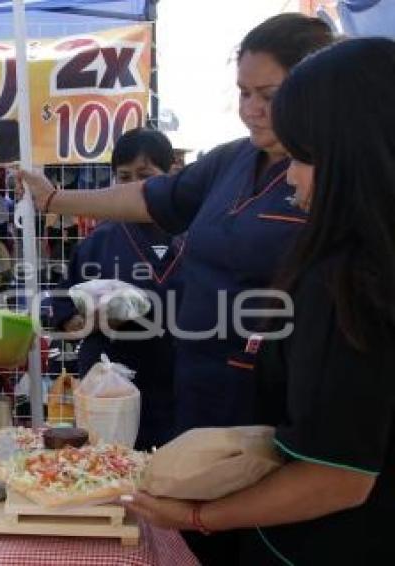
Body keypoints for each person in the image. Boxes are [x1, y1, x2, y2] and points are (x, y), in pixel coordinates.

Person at [124, 37, 395, 566]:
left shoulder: (349, 284)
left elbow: (336, 477)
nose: (290, 179)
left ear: (354, 152)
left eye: (301, 159)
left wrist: (197, 518)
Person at [20, 14, 334, 434]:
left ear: (312, 90)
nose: (251, 110)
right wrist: (55, 198)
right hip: (198, 385)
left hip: (279, 391)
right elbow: (151, 197)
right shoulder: (232, 161)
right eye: (243, 93)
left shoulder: (336, 174)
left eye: (268, 95)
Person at [50, 128, 183, 449]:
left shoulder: (197, 235)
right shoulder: (100, 240)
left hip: (180, 384)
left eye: (145, 175)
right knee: (112, 467)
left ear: (171, 174)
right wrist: (88, 322)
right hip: (113, 386)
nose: (134, 186)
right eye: (123, 177)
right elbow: (64, 306)